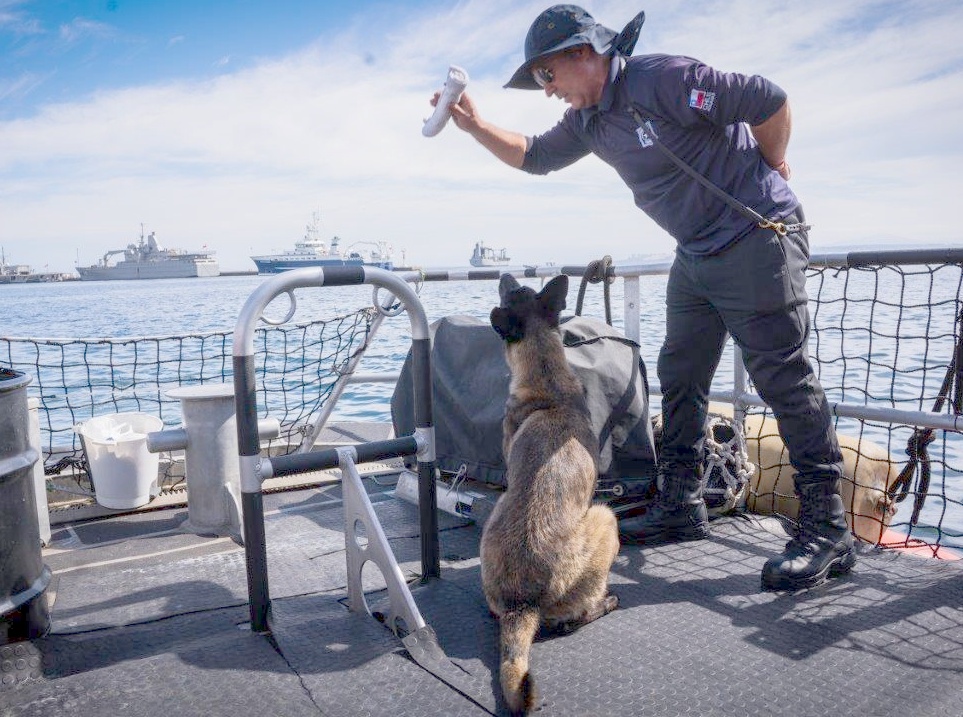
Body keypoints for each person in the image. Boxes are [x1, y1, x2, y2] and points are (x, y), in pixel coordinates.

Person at [433, 4, 856, 591]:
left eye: (547, 74)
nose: (546, 89)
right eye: (538, 81)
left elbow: (768, 99)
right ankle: (681, 503)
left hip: (756, 238)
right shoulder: (588, 121)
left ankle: (827, 530)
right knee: (680, 374)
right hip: (696, 256)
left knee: (783, 379)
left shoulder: (664, 79)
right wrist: (476, 125)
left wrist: (773, 161)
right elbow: (534, 156)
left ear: (584, 52)